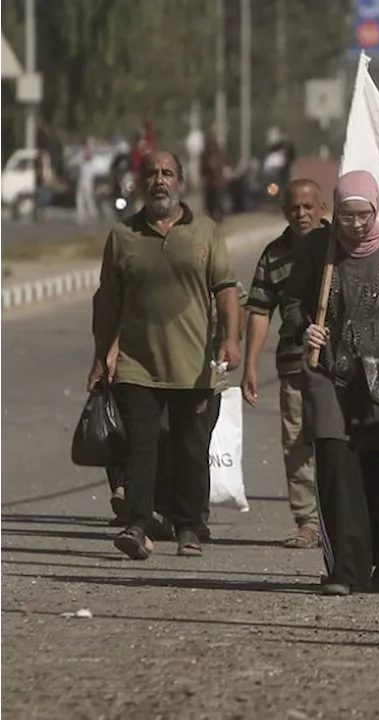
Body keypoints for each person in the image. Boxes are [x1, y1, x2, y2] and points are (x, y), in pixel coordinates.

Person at [281, 170, 379, 596]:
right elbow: (294, 300)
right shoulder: (321, 247)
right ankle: (343, 570)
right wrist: (304, 329)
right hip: (330, 375)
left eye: (363, 215)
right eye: (346, 216)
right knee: (336, 465)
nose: (354, 225)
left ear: (376, 208)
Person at [90, 150, 241, 560]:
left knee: (190, 450)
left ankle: (189, 525)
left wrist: (231, 340)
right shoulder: (123, 236)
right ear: (141, 182)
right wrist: (102, 353)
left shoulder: (205, 232)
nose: (160, 179)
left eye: (168, 173)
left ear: (181, 182)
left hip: (194, 366)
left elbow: (226, 290)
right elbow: (107, 301)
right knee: (141, 447)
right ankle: (138, 525)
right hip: (138, 365)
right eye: (152, 173)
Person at [243, 179, 328, 549]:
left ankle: (341, 515)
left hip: (340, 369)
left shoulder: (339, 246)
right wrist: (249, 366)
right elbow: (260, 310)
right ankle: (307, 520)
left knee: (338, 443)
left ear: (321, 208)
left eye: (309, 206)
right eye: (295, 207)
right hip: (294, 367)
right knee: (296, 444)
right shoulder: (274, 255)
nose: (302, 214)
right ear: (285, 211)